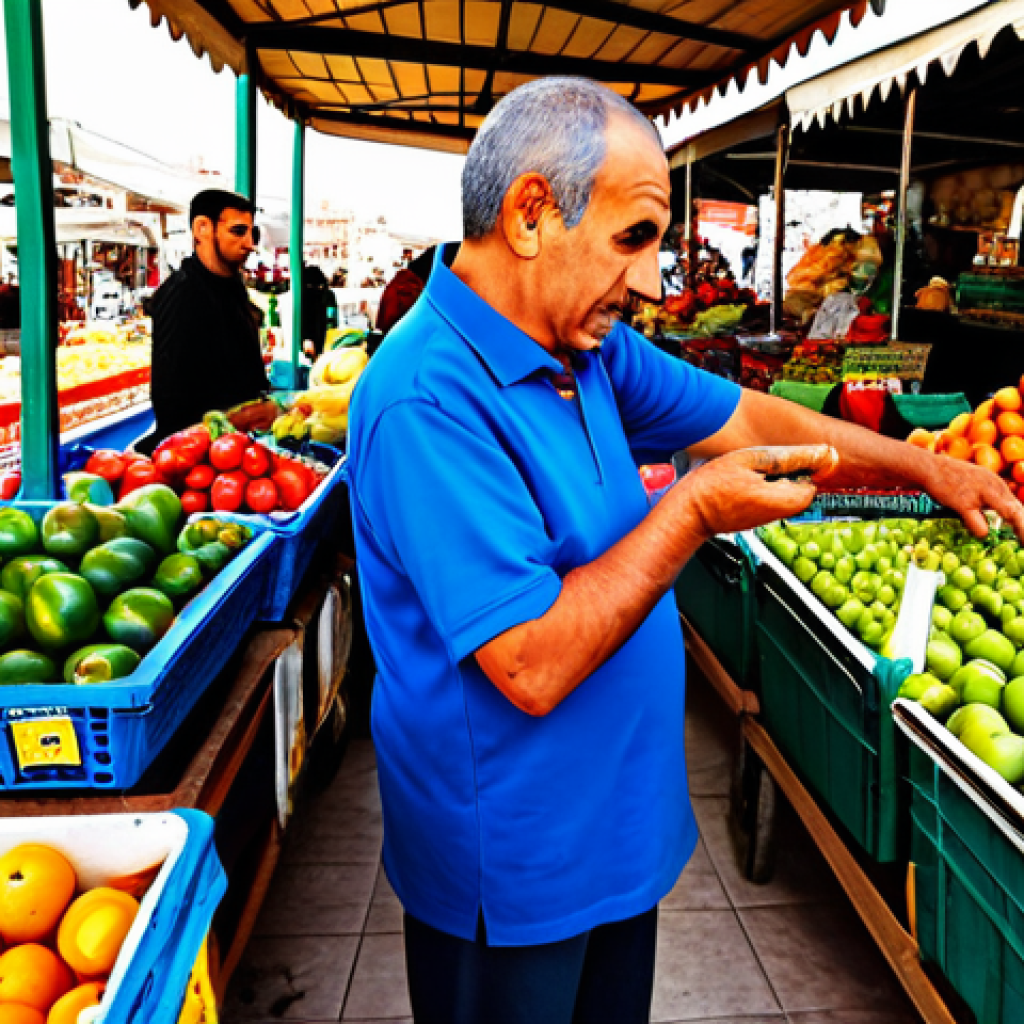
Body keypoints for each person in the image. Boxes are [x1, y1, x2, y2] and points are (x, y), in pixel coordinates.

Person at [345, 78, 1023, 1024]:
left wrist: (928, 468)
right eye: (634, 238)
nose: (652, 282)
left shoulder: (584, 350)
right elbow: (530, 663)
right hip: (516, 872)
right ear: (531, 214)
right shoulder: (427, 397)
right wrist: (693, 510)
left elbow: (747, 418)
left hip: (619, 836)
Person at [146, 189, 269, 450]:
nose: (249, 243)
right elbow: (171, 406)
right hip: (204, 456)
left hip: (240, 449)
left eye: (253, 234)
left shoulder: (233, 288)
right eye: (238, 231)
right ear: (202, 228)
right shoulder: (182, 295)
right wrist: (238, 419)